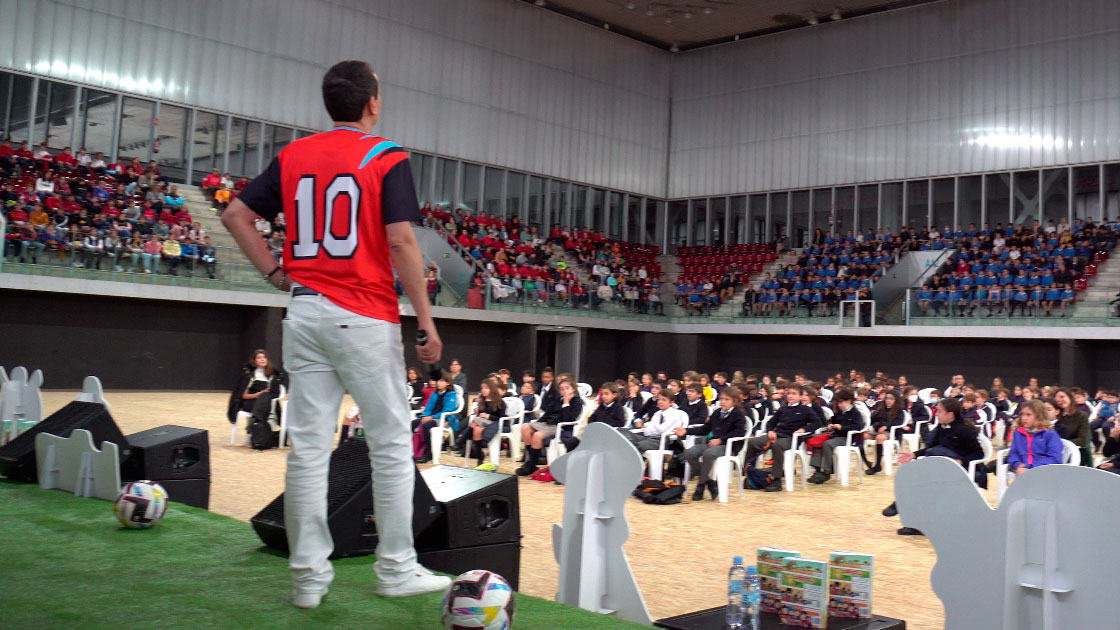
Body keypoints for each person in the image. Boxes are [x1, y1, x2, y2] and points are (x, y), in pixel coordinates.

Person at [221, 60, 451, 608]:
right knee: (392, 444)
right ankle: (395, 568)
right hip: (364, 314)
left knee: (306, 451)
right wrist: (425, 318)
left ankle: (307, 579)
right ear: (372, 102)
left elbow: (235, 216)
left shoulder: (294, 155)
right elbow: (400, 241)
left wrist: (277, 273)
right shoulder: (386, 155)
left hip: (304, 314)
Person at [890, 397, 985, 535]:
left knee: (926, 483)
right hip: (944, 468)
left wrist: (960, 461)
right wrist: (914, 454)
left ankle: (913, 517)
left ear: (950, 414)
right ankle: (917, 522)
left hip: (963, 470)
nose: (936, 414)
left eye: (939, 411)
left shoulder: (965, 430)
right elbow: (932, 448)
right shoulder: (942, 428)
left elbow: (979, 454)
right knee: (920, 479)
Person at [739, 385, 822, 492]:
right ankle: (750, 473)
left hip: (791, 438)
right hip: (777, 434)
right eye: (789, 393)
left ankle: (776, 480)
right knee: (752, 442)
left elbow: (817, 422)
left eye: (794, 394)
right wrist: (770, 431)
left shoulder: (805, 409)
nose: (790, 396)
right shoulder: (783, 408)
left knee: (777, 445)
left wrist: (804, 429)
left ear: (800, 396)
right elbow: (771, 422)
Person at [678, 387, 747, 500]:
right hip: (713, 443)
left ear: (735, 401)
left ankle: (700, 486)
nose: (723, 402)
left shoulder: (738, 414)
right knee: (689, 453)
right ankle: (709, 481)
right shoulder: (717, 412)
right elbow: (705, 429)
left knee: (708, 454)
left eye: (727, 399)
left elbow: (738, 432)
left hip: (729, 446)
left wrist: (721, 440)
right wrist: (686, 430)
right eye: (721, 399)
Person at [517, 378, 582, 476]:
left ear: (573, 389)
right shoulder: (557, 399)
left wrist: (566, 403)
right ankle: (531, 461)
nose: (564, 391)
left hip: (560, 426)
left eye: (567, 388)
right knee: (525, 427)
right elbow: (548, 413)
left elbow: (568, 419)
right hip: (548, 423)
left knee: (537, 435)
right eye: (562, 389)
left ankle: (532, 465)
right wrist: (538, 422)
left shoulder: (577, 402)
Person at [808, 388, 865, 484]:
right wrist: (830, 424)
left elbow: (858, 426)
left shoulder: (855, 413)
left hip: (847, 438)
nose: (839, 405)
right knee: (817, 442)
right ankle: (817, 469)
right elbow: (832, 420)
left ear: (849, 401)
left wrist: (842, 427)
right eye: (838, 403)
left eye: (841, 403)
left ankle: (827, 471)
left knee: (827, 444)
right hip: (836, 436)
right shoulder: (839, 412)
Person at [226, 349, 288, 435]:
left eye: (264, 357)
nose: (262, 359)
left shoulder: (273, 375)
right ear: (254, 361)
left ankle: (254, 423)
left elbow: (275, 393)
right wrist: (256, 395)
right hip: (251, 401)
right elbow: (243, 395)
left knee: (266, 397)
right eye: (259, 358)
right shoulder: (249, 375)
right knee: (264, 400)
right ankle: (257, 425)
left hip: (267, 401)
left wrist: (264, 394)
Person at [1005, 399, 1063, 476]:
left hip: (1045, 472)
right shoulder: (1018, 433)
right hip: (1022, 469)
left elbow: (1055, 458)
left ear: (1039, 416)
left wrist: (1031, 467)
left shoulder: (1050, 434)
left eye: (1028, 415)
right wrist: (1017, 464)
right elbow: (1014, 453)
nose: (1024, 418)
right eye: (1022, 414)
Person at [465, 378, 508, 466]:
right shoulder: (483, 402)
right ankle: (480, 456)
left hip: (494, 424)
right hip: (482, 423)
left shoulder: (500, 402)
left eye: (486, 388)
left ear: (492, 389)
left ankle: (462, 440)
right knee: (476, 429)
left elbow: (501, 418)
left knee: (476, 424)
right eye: (482, 388)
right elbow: (480, 416)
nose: (483, 390)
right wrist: (479, 413)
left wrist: (488, 416)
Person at [1052, 388, 1091, 466]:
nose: (1059, 400)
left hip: (1075, 450)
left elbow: (1083, 439)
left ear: (1070, 397)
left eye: (1062, 397)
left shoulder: (1082, 416)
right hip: (1057, 450)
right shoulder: (1056, 416)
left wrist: (1063, 444)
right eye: (1057, 399)